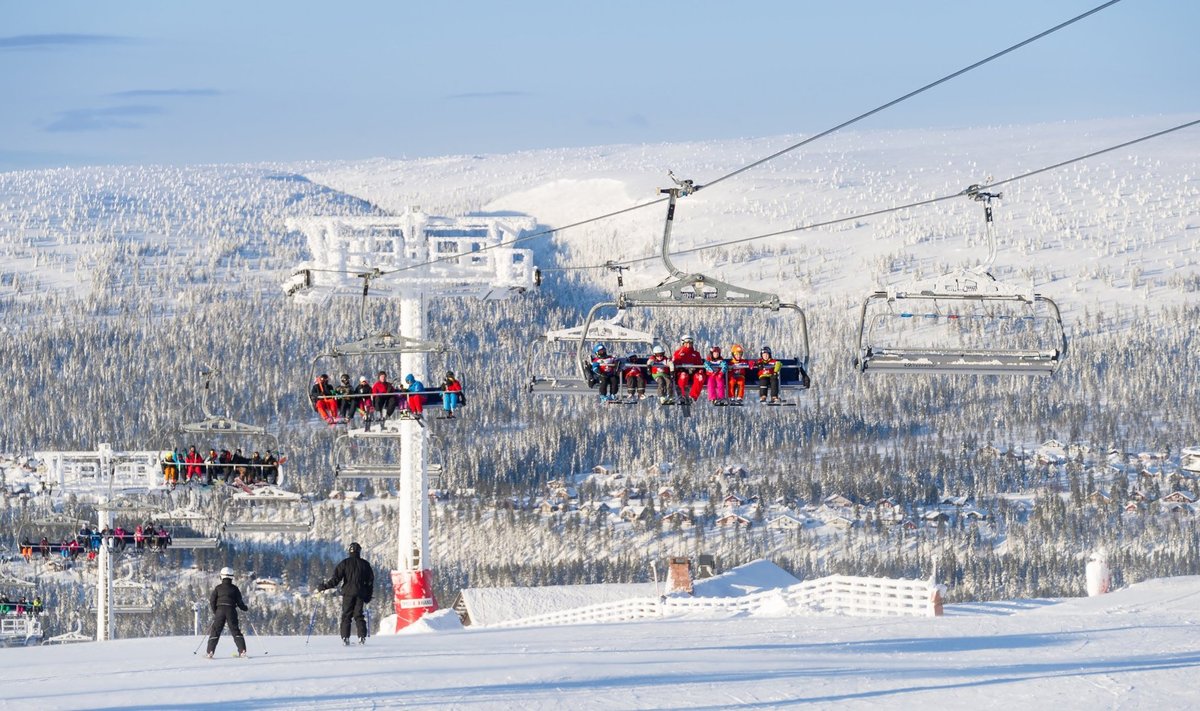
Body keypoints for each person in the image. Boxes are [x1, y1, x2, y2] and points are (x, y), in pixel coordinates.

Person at [317, 541, 375, 646]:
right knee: (359, 616)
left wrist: (324, 587)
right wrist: (368, 595)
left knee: (346, 616)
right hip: (360, 593)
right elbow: (370, 582)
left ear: (349, 551)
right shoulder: (365, 564)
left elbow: (335, 580)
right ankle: (361, 638)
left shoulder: (344, 563)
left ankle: (345, 638)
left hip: (347, 593)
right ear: (359, 551)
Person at [205, 567, 248, 658]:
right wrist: (244, 608)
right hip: (231, 610)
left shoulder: (218, 588)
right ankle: (242, 651)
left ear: (221, 576)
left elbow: (212, 601)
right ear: (232, 577)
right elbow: (240, 602)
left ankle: (210, 652)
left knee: (215, 631)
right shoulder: (235, 589)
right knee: (235, 630)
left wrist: (215, 612)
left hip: (219, 610)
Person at [672, 336, 705, 401]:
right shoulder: (678, 353)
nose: (688, 345)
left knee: (700, 377)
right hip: (682, 372)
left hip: (693, 373)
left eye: (690, 343)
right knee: (683, 376)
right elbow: (674, 363)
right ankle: (682, 395)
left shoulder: (696, 354)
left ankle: (693, 396)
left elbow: (700, 364)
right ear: (683, 343)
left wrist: (700, 370)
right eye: (686, 343)